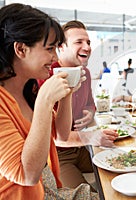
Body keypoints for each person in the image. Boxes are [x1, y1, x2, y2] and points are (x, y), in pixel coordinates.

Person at [0, 3, 116, 199]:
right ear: (20, 49)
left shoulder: (29, 89)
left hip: (46, 186)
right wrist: (45, 101)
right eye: (50, 48)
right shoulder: (11, 99)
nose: (55, 56)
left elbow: (60, 135)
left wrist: (68, 93)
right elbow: (26, 175)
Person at [38, 20, 118, 190]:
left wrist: (89, 112)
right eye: (79, 42)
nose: (87, 47)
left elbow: (90, 104)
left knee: (119, 168)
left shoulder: (85, 73)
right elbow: (53, 135)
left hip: (81, 147)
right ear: (61, 47)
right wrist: (92, 136)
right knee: (86, 194)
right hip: (58, 154)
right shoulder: (45, 74)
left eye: (88, 42)